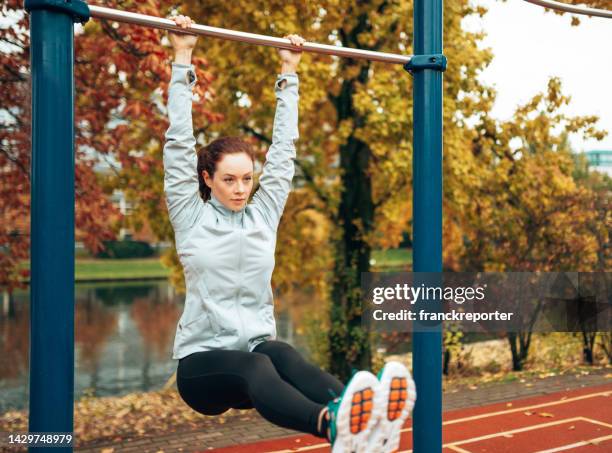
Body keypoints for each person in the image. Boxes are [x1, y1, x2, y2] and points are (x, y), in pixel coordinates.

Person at [164, 14, 416, 453]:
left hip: (256, 355)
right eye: (229, 180)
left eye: (247, 179)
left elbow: (284, 150)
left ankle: (368, 419)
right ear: (206, 178)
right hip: (203, 368)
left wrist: (289, 72)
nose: (241, 189)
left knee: (281, 354)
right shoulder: (190, 214)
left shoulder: (264, 212)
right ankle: (334, 424)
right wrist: (183, 56)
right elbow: (178, 142)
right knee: (257, 367)